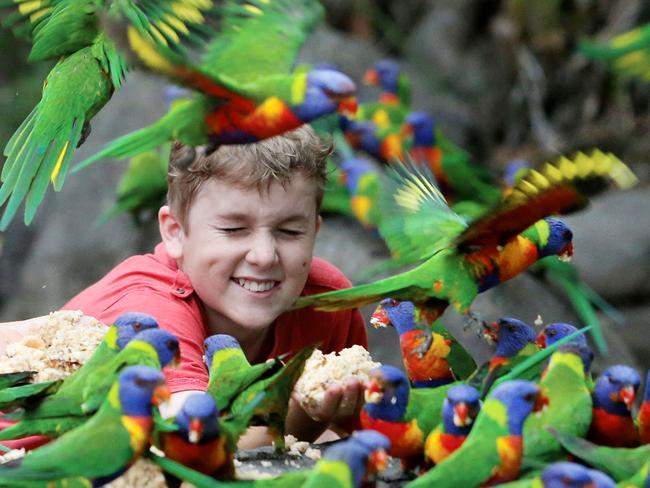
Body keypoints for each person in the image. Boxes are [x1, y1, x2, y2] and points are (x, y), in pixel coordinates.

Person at [1, 126, 368, 447]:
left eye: (290, 231)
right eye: (233, 229)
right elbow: (191, 452)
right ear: (175, 232)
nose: (263, 256)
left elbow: (365, 433)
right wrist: (306, 411)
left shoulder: (327, 300)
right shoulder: (149, 315)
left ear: (314, 233)